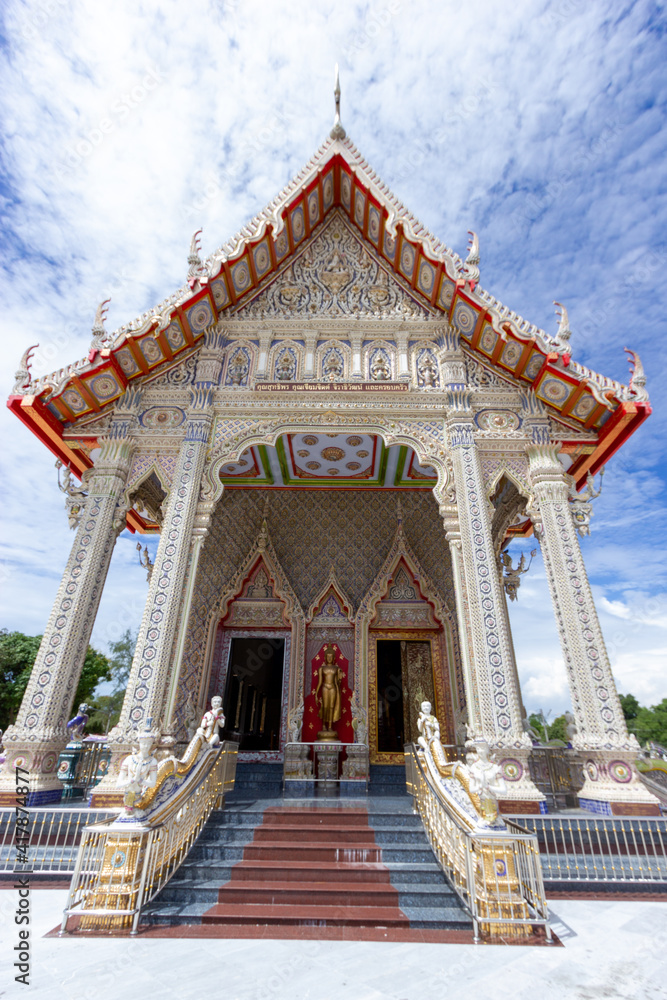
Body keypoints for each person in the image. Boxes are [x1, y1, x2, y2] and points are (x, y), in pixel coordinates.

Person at [117, 732, 159, 812]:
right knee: (128, 814)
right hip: (128, 794)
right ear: (139, 743)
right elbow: (118, 784)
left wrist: (140, 780)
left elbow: (153, 784)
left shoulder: (152, 761)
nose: (146, 746)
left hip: (138, 796)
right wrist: (133, 780)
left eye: (148, 744)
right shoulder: (129, 759)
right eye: (143, 743)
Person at [314, 645, 343, 738]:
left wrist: (339, 677)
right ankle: (323, 725)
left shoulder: (336, 668)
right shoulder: (321, 669)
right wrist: (316, 694)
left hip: (333, 688)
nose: (329, 658)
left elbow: (338, 682)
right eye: (328, 656)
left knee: (331, 707)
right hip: (325, 687)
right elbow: (319, 682)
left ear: (334, 658)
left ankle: (330, 726)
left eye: (331, 656)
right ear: (325, 657)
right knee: (325, 706)